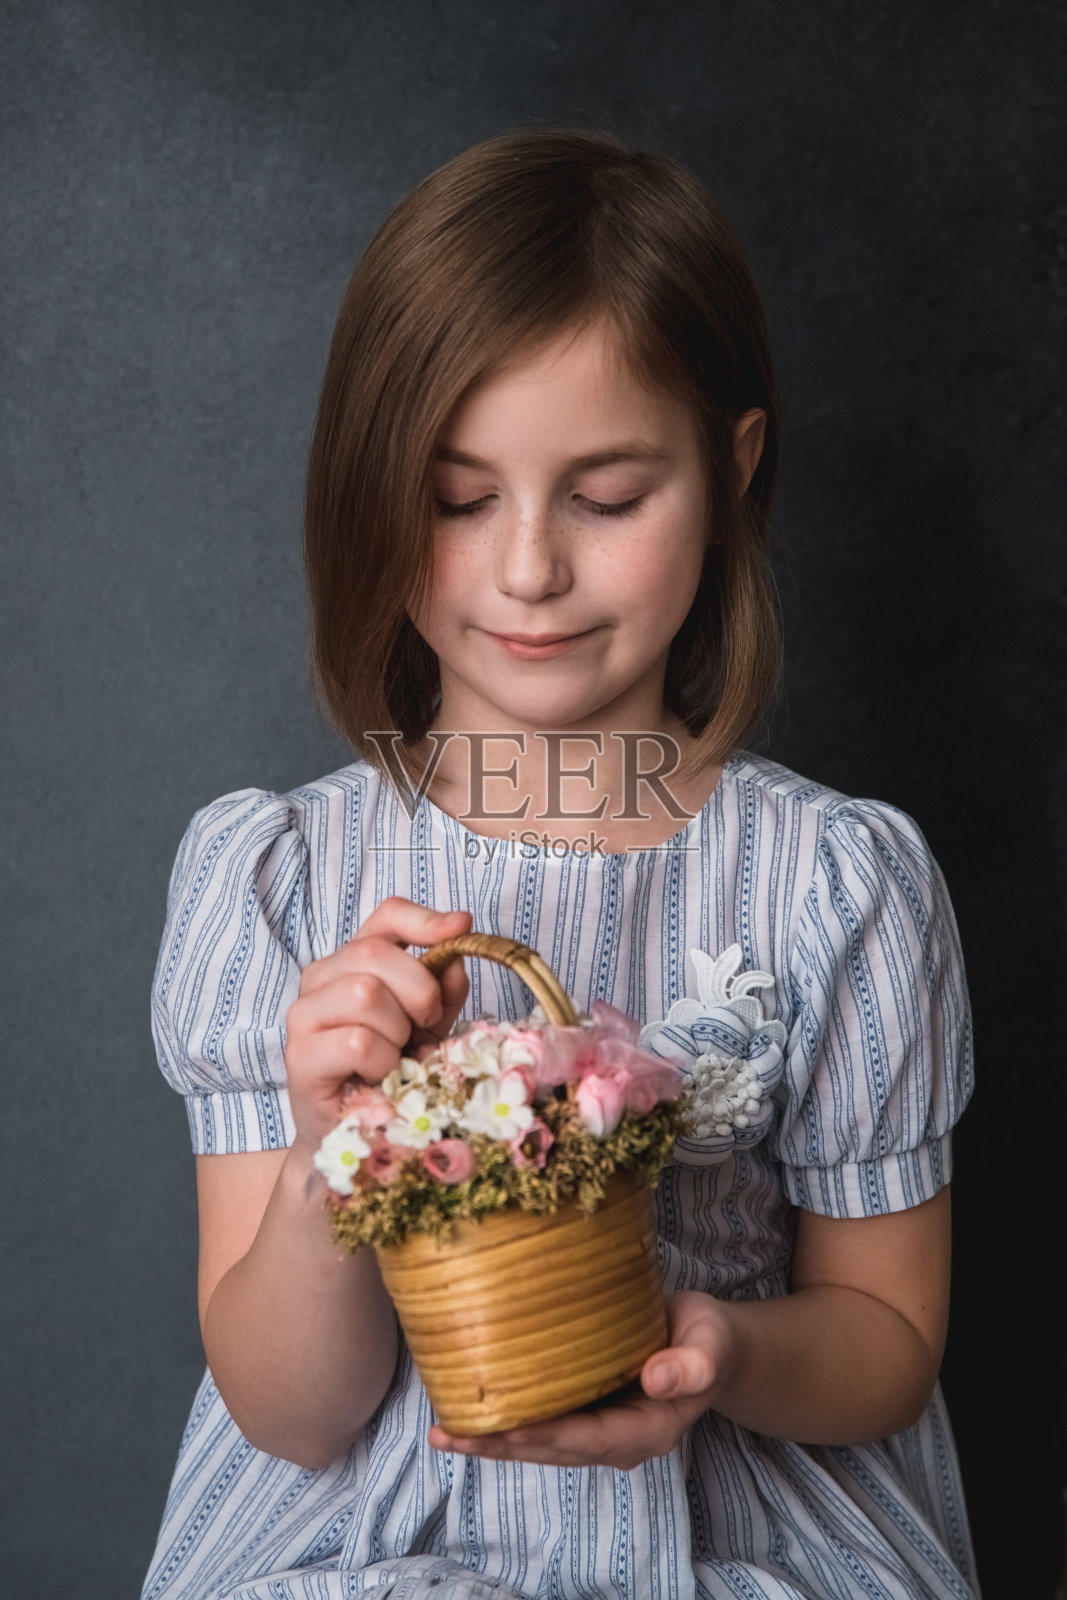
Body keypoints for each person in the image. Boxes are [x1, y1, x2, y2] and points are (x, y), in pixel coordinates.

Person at [140, 127, 979, 1600]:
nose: (528, 569)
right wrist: (323, 1177)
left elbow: (887, 1346)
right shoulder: (276, 877)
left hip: (738, 1537)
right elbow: (290, 1408)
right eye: (458, 499)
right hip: (374, 1544)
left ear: (731, 472)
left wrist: (719, 1349)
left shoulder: (837, 883)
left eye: (606, 498)